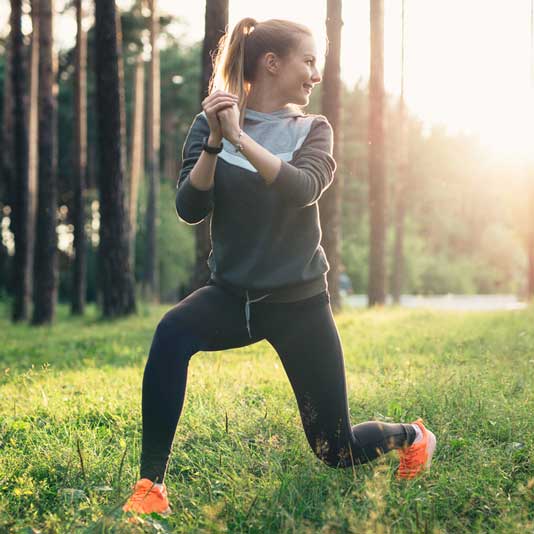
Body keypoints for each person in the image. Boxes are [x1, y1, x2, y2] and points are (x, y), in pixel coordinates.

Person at [123, 18, 436, 516]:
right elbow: (189, 208)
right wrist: (213, 142)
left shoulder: (314, 129)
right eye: (308, 62)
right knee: (171, 333)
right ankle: (149, 488)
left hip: (299, 304)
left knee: (334, 449)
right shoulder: (210, 124)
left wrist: (240, 139)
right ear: (272, 63)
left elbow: (301, 190)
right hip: (231, 297)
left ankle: (413, 435)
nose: (315, 75)